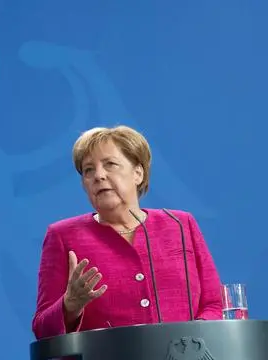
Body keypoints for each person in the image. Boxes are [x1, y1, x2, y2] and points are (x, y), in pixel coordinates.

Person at [31, 125, 223, 339]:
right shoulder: (63, 236)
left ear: (138, 173)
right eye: (88, 170)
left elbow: (213, 305)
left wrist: (192, 340)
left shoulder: (180, 224)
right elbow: (42, 328)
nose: (99, 176)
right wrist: (70, 305)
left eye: (110, 164)